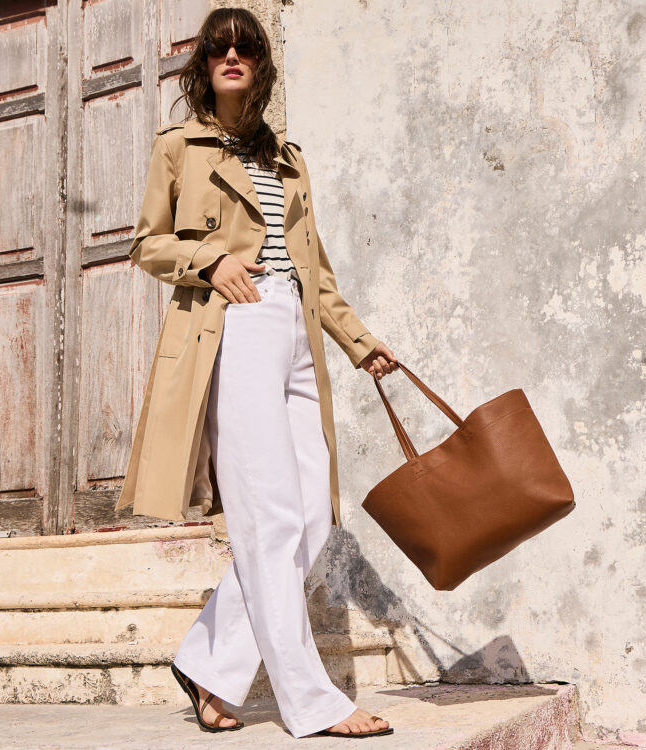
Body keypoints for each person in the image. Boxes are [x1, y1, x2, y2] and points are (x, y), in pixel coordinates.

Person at [153, 7, 397, 740]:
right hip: (237, 324)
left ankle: (208, 661)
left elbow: (315, 273)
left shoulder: (288, 159)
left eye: (246, 47)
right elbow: (146, 244)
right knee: (267, 520)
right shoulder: (179, 147)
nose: (232, 55)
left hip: (296, 329)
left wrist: (359, 342)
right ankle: (313, 702)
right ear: (204, 64)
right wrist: (211, 260)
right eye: (219, 47)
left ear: (260, 64)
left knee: (312, 521)